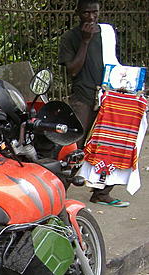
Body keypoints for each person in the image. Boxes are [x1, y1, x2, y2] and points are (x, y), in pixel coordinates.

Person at [58, 0, 128, 207]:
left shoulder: (107, 33)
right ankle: (59, 191)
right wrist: (85, 41)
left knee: (111, 143)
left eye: (94, 13)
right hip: (83, 96)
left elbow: (115, 63)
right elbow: (73, 70)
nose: (90, 17)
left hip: (108, 95)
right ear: (78, 13)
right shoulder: (71, 37)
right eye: (86, 13)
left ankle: (101, 191)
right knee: (74, 145)